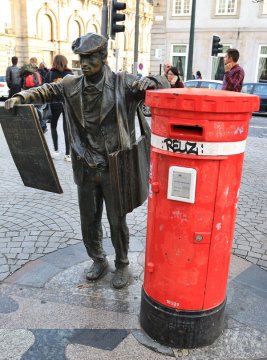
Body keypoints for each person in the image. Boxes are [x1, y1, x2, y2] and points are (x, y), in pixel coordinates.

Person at [5, 32, 168, 289]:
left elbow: (159, 84)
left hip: (114, 166)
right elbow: (46, 90)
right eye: (81, 58)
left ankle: (122, 263)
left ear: (103, 57)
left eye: (90, 57)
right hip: (85, 166)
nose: (84, 63)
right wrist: (21, 97)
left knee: (116, 220)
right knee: (88, 220)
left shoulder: (122, 83)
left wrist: (153, 82)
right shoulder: (71, 84)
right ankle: (98, 259)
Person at [44, 55, 73, 161]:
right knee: (67, 128)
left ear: (54, 62)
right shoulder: (70, 74)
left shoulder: (50, 74)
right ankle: (68, 154)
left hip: (54, 103)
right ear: (65, 62)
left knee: (53, 126)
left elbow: (45, 89)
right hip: (67, 103)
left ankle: (56, 151)